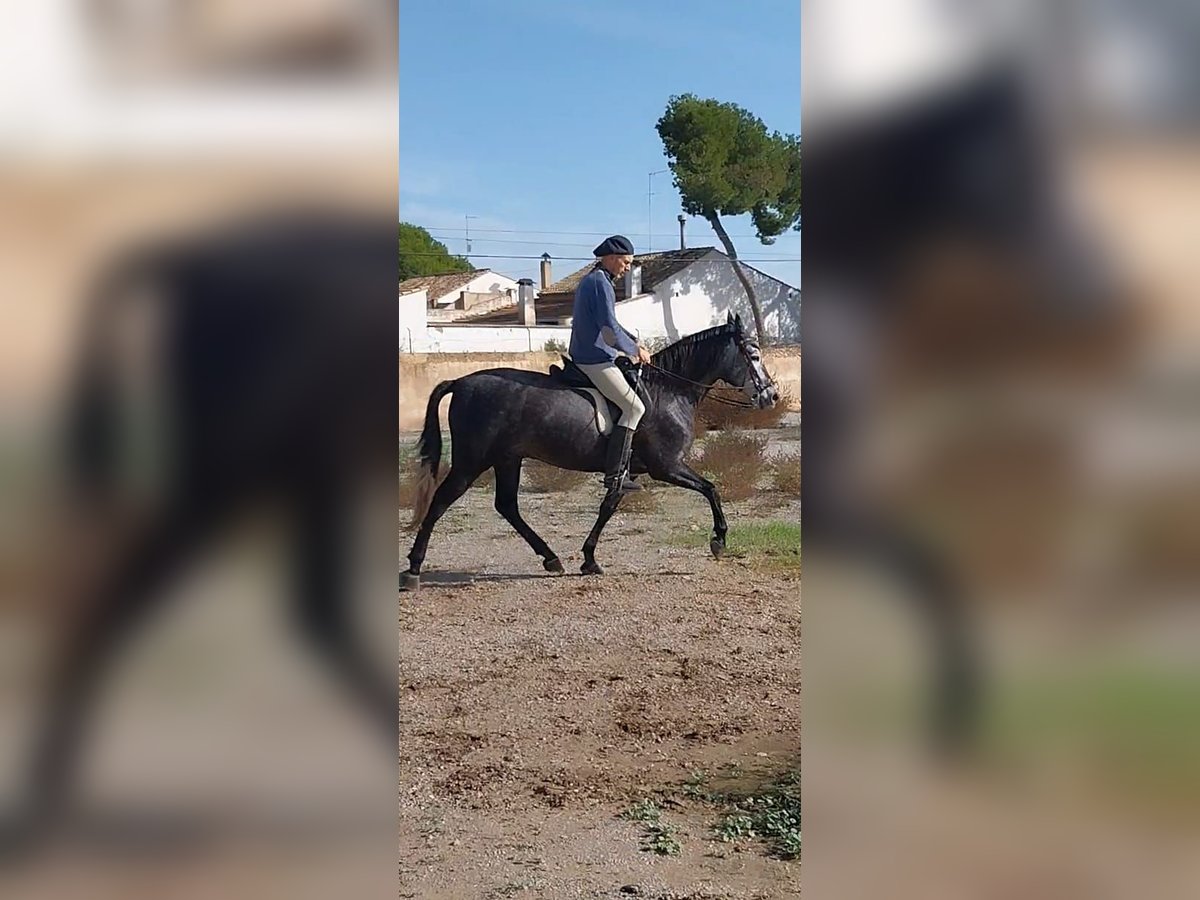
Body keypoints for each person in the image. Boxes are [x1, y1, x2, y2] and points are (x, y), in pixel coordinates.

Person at [567, 234, 653, 493]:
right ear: (612, 258)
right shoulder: (599, 284)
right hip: (594, 359)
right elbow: (608, 331)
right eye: (625, 263)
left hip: (592, 354)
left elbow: (612, 324)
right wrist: (632, 350)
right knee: (635, 408)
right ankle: (615, 476)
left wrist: (633, 340)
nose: (627, 268)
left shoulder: (597, 280)